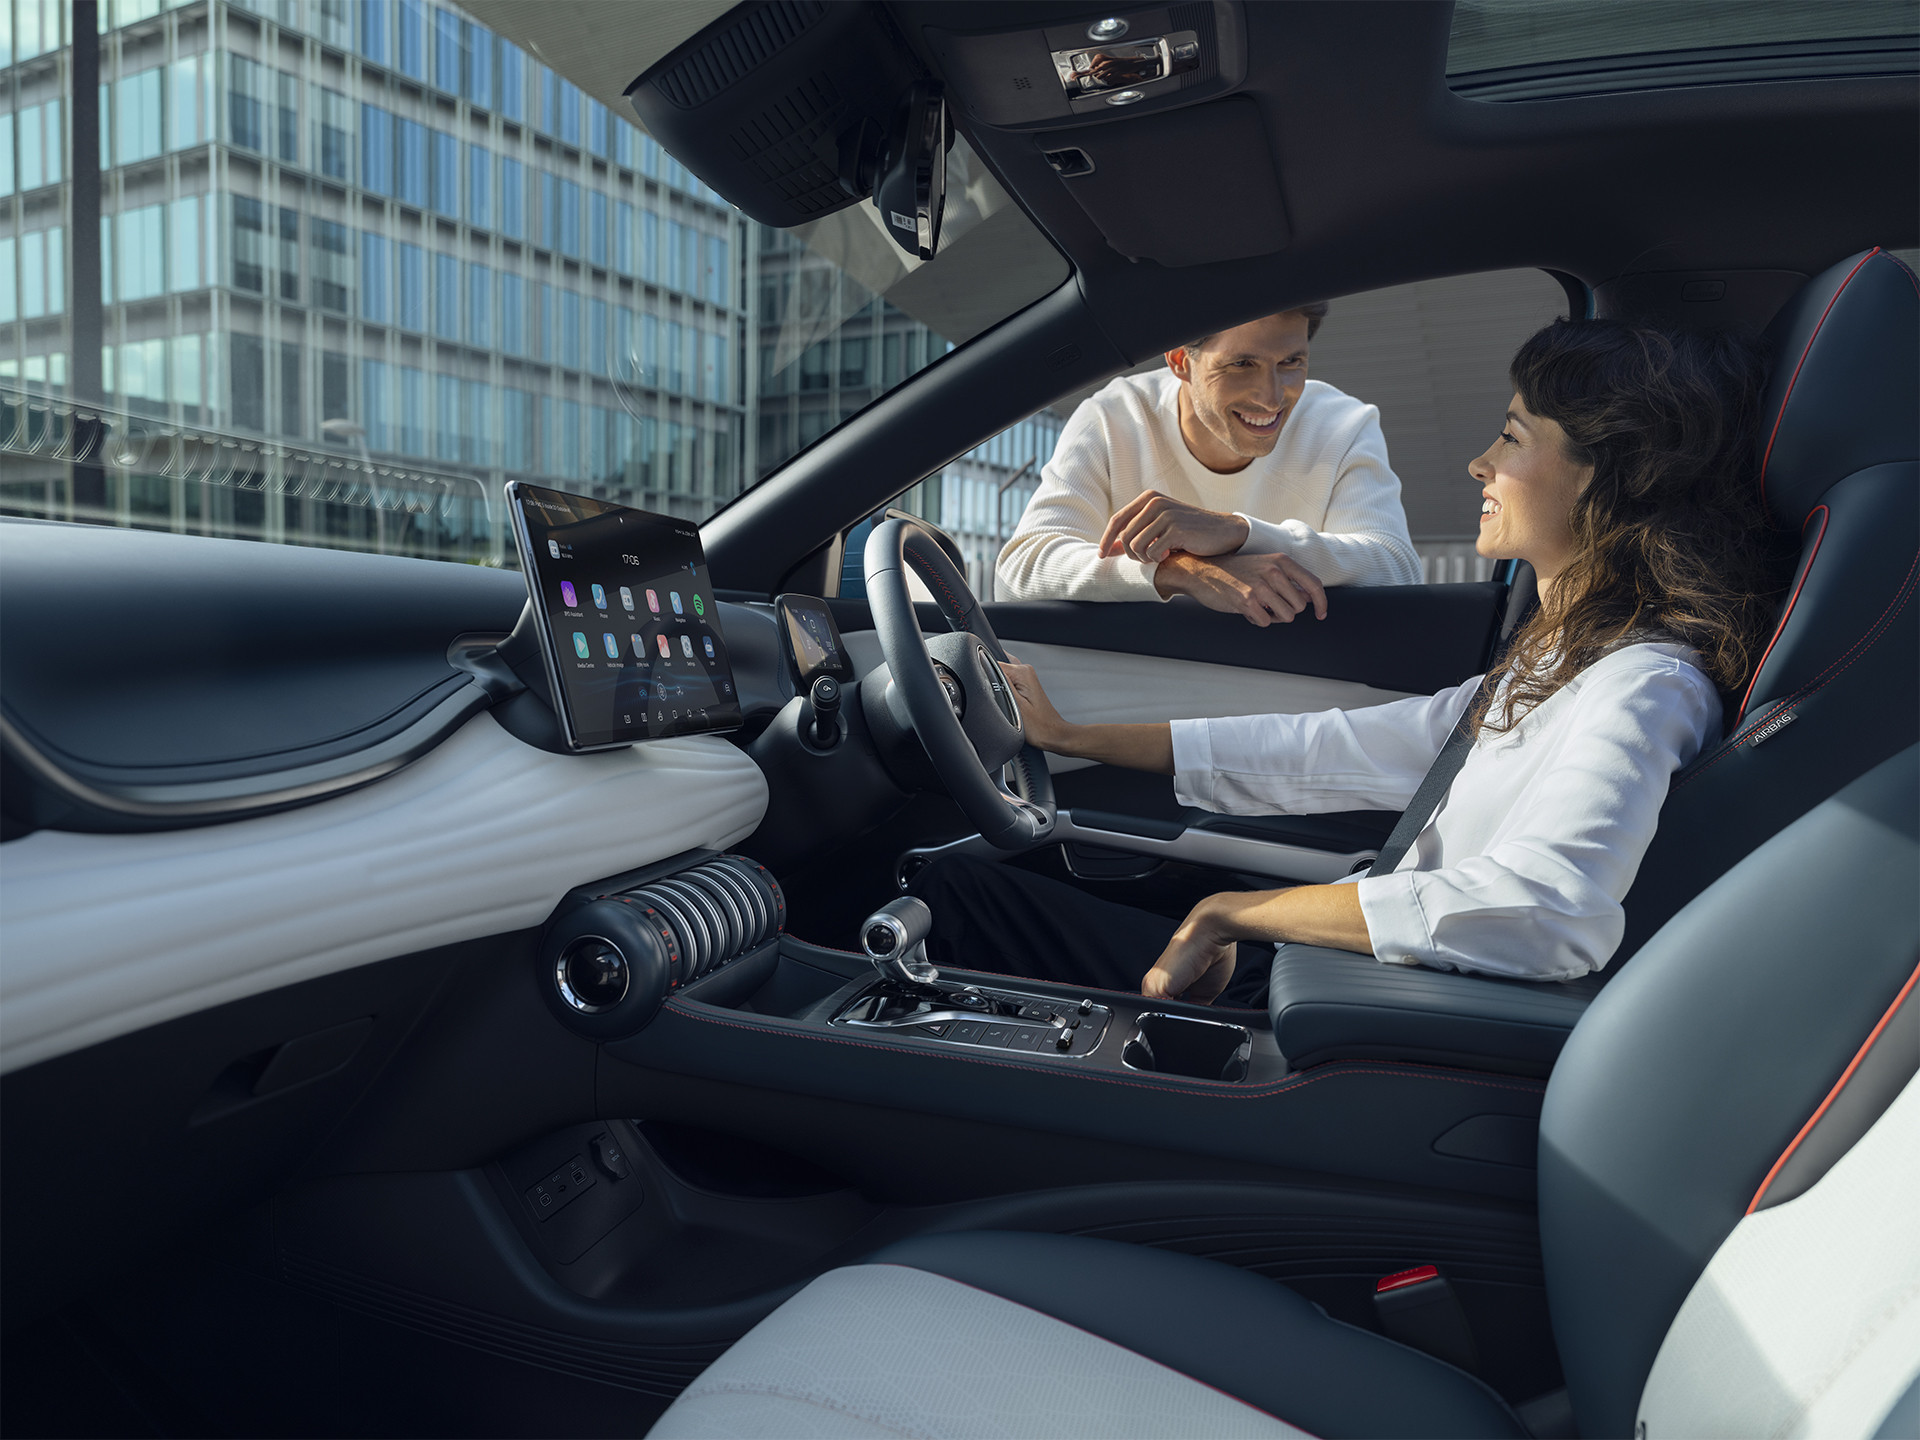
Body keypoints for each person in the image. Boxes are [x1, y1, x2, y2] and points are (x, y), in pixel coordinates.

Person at [917, 319, 1786, 1003]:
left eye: (1513, 439)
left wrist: (1234, 914)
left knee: (956, 895)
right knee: (976, 880)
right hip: (1353, 976)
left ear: (1610, 477)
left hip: (1373, 1014)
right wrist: (1075, 736)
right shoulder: (1560, 660)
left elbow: (1547, 912)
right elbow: (1328, 748)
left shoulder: (1644, 685)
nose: (1480, 462)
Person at [994, 305, 1422, 623]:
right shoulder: (1113, 418)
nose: (1271, 398)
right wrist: (1181, 571)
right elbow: (1020, 570)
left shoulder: (1343, 423)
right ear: (1181, 361)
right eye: (1241, 365)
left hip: (1294, 693)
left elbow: (1397, 567)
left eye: (1291, 362)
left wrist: (1237, 532)